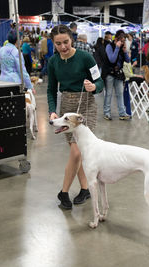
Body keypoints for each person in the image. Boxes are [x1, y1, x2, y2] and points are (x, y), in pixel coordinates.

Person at [47, 25, 104, 209]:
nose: (63, 46)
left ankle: (63, 192)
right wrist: (52, 110)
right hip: (66, 108)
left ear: (72, 39)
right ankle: (85, 188)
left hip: (85, 106)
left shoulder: (85, 57)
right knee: (78, 152)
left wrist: (94, 87)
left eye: (66, 42)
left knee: (77, 151)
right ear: (53, 43)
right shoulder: (53, 62)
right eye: (58, 43)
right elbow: (50, 90)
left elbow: (100, 81)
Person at [103, 30, 131, 121]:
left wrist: (125, 51)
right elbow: (112, 59)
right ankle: (106, 113)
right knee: (109, 94)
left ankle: (122, 113)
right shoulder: (109, 46)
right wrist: (117, 48)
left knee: (120, 94)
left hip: (119, 73)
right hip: (109, 73)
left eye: (124, 40)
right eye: (122, 40)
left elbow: (127, 60)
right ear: (117, 39)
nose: (123, 42)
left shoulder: (122, 47)